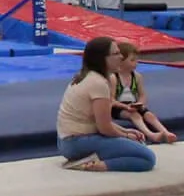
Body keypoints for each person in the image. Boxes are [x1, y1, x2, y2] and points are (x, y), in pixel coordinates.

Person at [56, 36, 157, 172]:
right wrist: (126, 136)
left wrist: (125, 131)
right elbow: (104, 128)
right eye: (116, 54)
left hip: (68, 141)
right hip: (76, 143)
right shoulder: (98, 83)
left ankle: (94, 158)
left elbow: (99, 121)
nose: (121, 57)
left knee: (137, 145)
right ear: (102, 58)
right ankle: (97, 165)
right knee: (147, 158)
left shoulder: (86, 76)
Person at [112, 41, 177, 144]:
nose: (136, 63)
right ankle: (151, 134)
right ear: (121, 61)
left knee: (149, 115)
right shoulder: (113, 77)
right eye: (132, 60)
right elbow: (110, 100)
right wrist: (125, 107)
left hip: (133, 105)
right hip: (116, 108)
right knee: (134, 115)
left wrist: (140, 103)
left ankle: (165, 132)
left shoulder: (137, 76)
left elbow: (142, 94)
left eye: (136, 60)